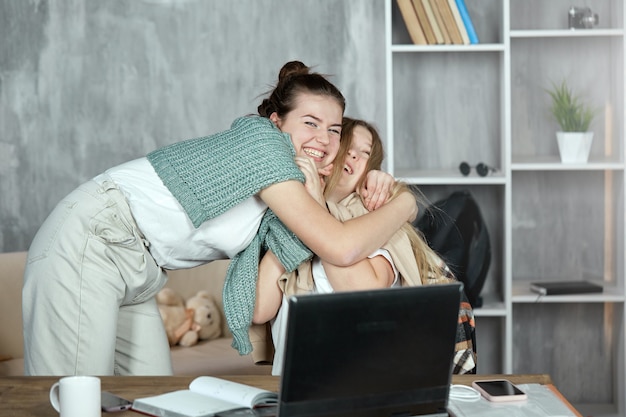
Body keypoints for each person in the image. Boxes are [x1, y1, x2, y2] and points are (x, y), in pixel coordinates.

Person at [22, 62, 417, 376]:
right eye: (310, 123)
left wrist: (332, 195)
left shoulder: (287, 195)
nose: (325, 140)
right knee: (72, 399)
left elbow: (259, 308)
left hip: (139, 271)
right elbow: (342, 246)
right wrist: (407, 202)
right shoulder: (263, 142)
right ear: (277, 121)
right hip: (95, 235)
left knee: (153, 401)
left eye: (334, 129)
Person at [252, 117, 477, 375]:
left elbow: (362, 288)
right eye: (347, 146)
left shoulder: (374, 222)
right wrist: (300, 215)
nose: (355, 156)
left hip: (361, 390)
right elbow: (260, 310)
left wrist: (318, 207)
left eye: (365, 154)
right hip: (295, 389)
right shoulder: (285, 221)